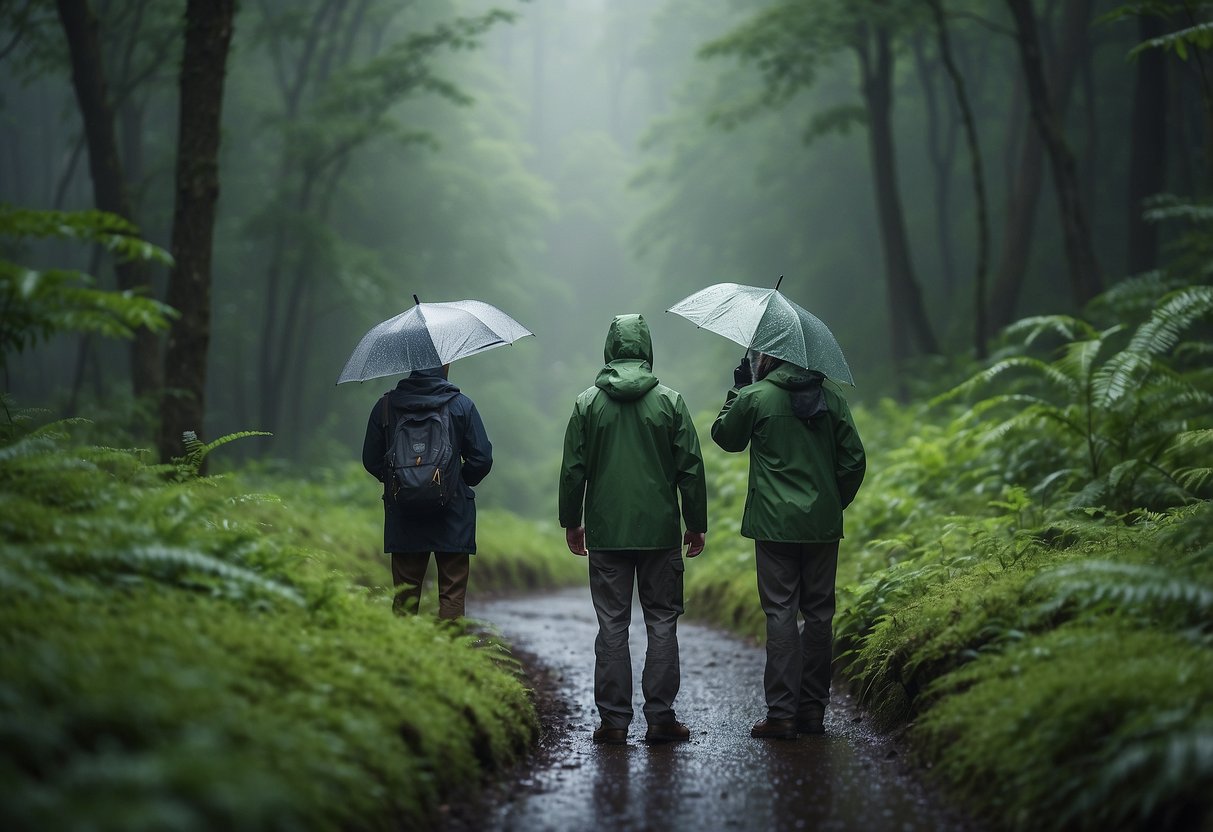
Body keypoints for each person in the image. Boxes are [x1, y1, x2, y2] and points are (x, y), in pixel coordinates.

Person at [559, 314, 708, 745]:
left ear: (609, 350)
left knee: (612, 625)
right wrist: (695, 523)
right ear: (646, 350)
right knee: (662, 621)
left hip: (606, 533)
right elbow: (691, 469)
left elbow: (573, 470)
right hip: (661, 533)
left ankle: (613, 722)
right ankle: (661, 718)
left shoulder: (587, 403)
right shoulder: (671, 402)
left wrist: (572, 521)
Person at [711, 351, 866, 739]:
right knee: (818, 614)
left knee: (780, 611)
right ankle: (812, 712)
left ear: (768, 358)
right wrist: (830, 502)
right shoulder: (832, 400)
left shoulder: (757, 396)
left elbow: (725, 438)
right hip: (821, 527)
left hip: (773, 526)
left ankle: (780, 714)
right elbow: (854, 461)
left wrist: (739, 389)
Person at [362, 364, 493, 620]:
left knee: (405, 596)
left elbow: (371, 459)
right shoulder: (461, 405)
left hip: (404, 514)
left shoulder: (386, 406)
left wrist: (400, 482)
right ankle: (449, 654)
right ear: (444, 365)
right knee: (452, 593)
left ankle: (402, 654)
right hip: (453, 514)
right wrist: (454, 481)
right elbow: (482, 458)